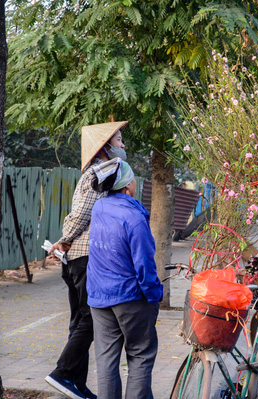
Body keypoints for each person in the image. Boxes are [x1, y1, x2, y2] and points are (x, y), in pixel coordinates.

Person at [46, 121, 129, 399]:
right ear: (105, 146)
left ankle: (75, 383)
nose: (123, 145)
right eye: (119, 140)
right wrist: (65, 238)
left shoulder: (99, 171)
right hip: (84, 256)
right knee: (92, 319)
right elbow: (83, 213)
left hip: (76, 257)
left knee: (79, 320)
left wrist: (64, 242)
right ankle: (62, 373)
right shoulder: (101, 170)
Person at [88, 158, 163, 399]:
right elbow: (145, 266)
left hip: (99, 297)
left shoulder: (99, 208)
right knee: (140, 355)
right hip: (129, 297)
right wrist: (154, 296)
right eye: (132, 177)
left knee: (106, 359)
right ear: (127, 186)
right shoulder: (134, 218)